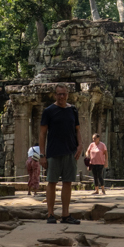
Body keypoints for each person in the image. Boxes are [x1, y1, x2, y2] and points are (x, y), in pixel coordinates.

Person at [39, 84, 82, 225]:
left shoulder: (73, 110)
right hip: (53, 152)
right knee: (51, 182)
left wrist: (80, 145)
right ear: (55, 95)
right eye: (59, 94)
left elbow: (77, 130)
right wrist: (42, 155)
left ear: (67, 94)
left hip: (70, 151)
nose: (61, 96)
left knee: (67, 182)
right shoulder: (48, 111)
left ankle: (65, 214)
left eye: (63, 94)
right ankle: (50, 214)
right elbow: (42, 134)